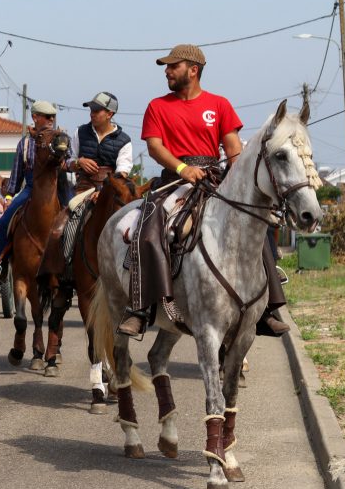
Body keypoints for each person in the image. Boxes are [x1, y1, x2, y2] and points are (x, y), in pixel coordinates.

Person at [118, 44, 288, 336]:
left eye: (173, 66)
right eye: (167, 67)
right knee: (148, 228)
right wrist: (183, 169)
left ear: (193, 70)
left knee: (253, 222)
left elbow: (233, 150)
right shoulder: (157, 106)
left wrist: (239, 182)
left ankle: (267, 309)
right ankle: (140, 308)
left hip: (214, 179)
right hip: (173, 180)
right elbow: (155, 147)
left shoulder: (219, 104)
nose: (167, 71)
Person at [45, 91, 134, 278]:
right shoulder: (80, 132)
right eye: (91, 109)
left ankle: (132, 271)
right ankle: (62, 273)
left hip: (111, 193)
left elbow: (122, 173)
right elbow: (66, 162)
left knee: (132, 226)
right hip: (83, 190)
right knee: (59, 227)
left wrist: (103, 192)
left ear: (109, 114)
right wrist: (79, 162)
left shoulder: (124, 140)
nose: (92, 113)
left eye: (96, 110)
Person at [0, 100, 62, 267]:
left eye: (53, 116)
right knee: (5, 221)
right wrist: (9, 197)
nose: (51, 119)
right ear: (35, 117)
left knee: (74, 218)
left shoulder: (60, 140)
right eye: (47, 116)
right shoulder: (24, 143)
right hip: (31, 188)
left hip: (56, 188)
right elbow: (16, 174)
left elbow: (69, 162)